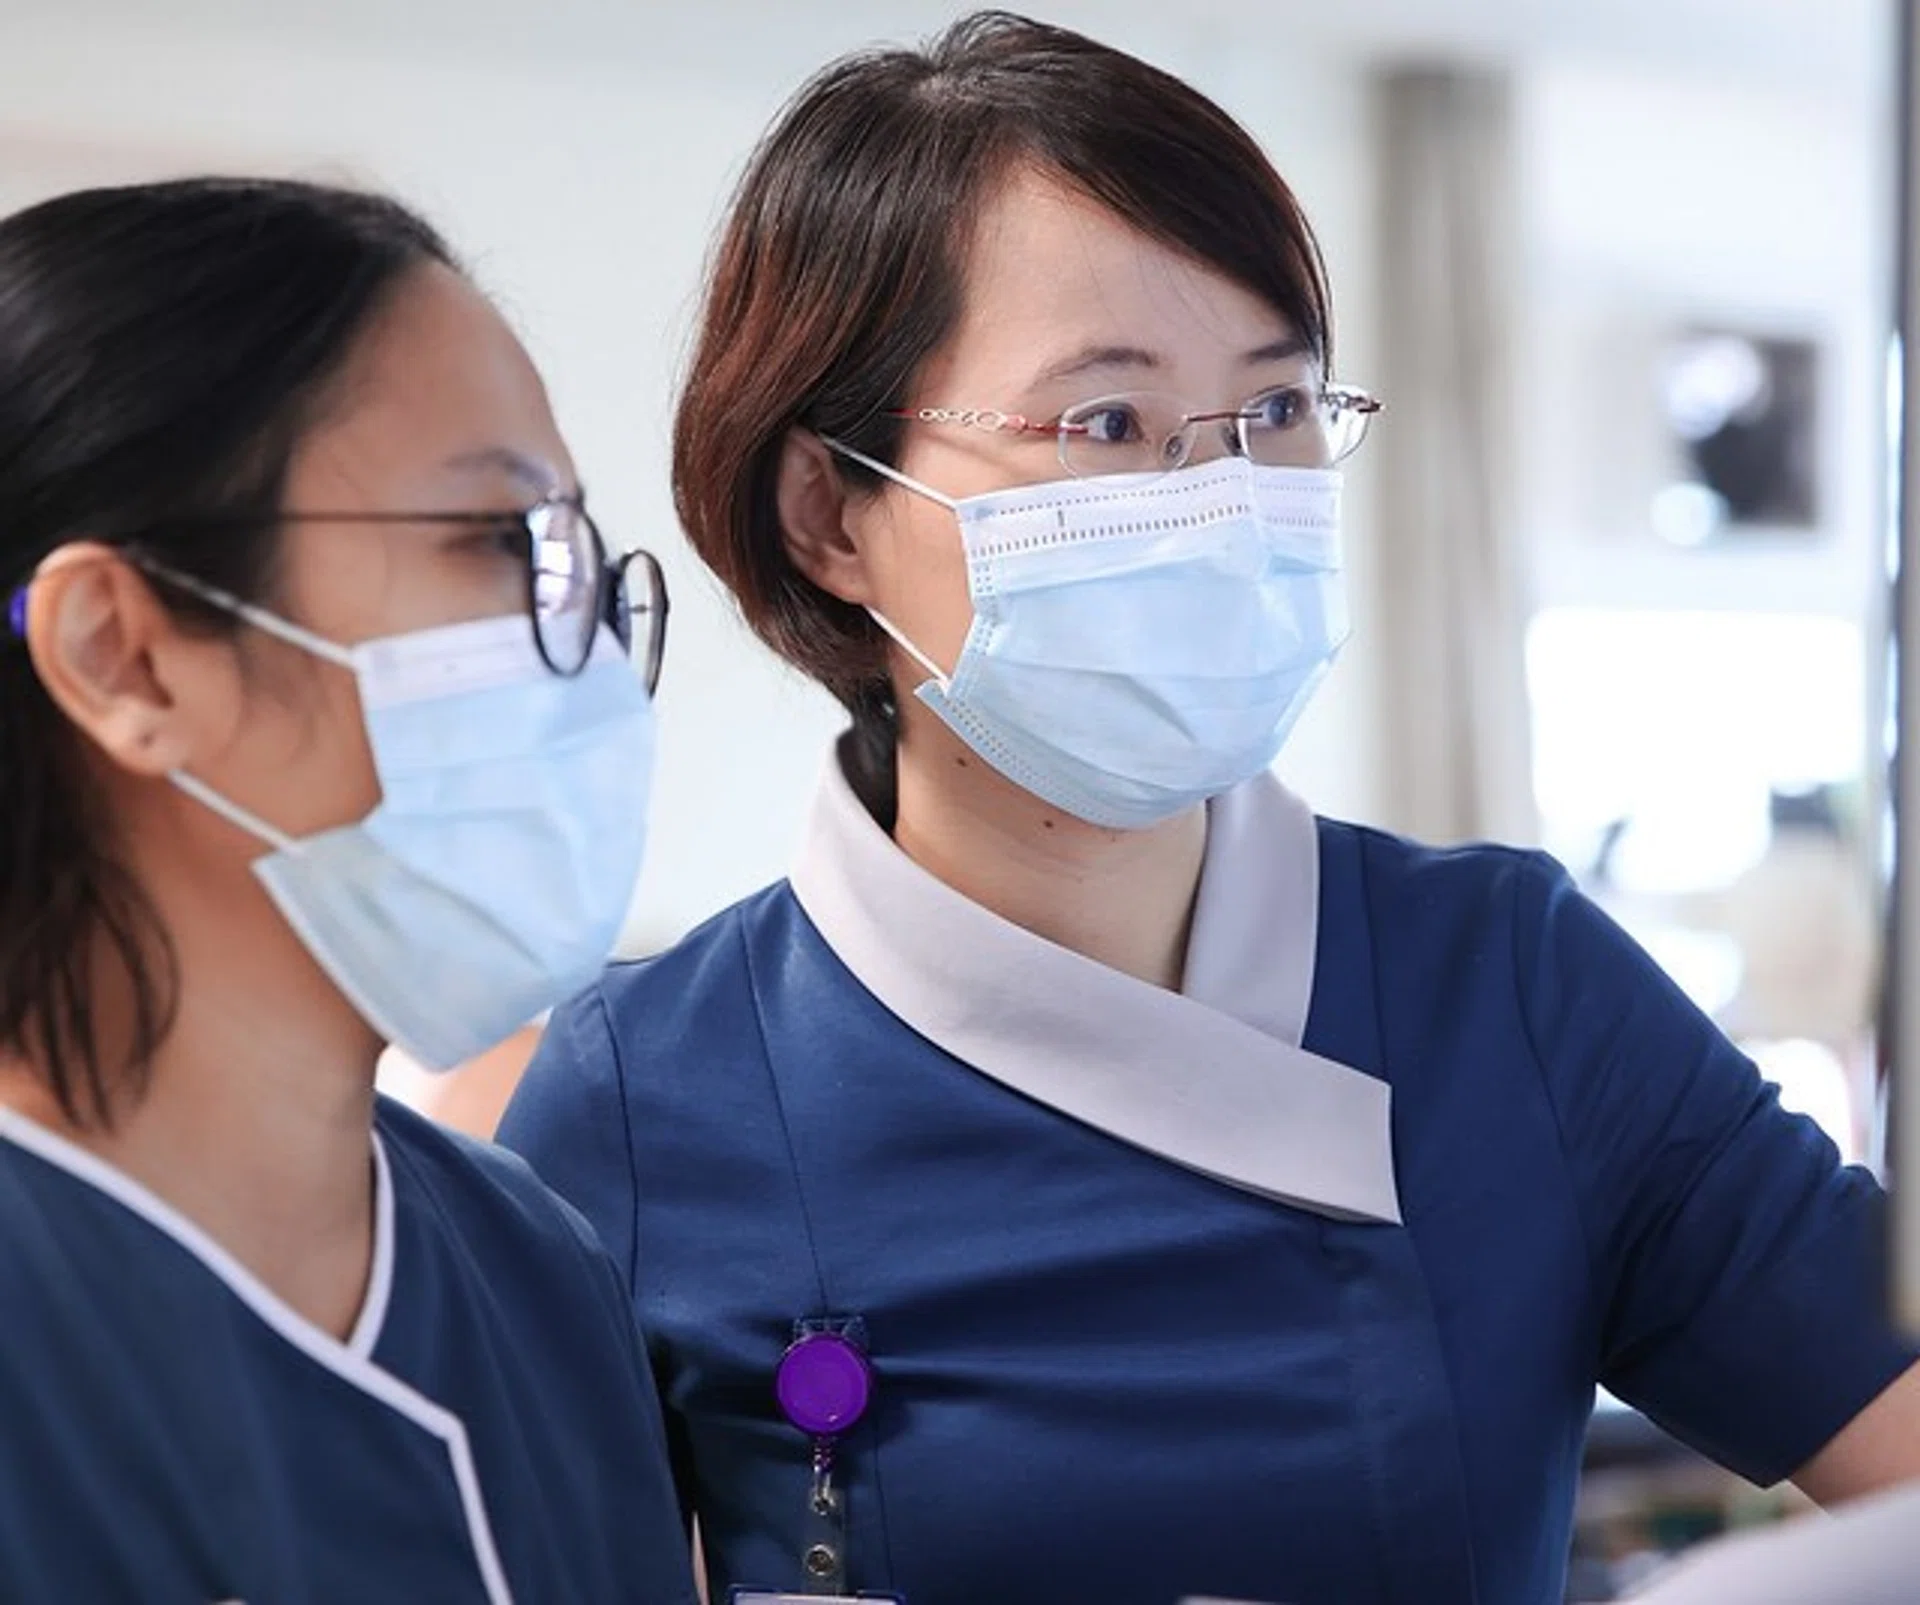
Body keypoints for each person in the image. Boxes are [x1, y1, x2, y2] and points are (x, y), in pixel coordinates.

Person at [499, 14, 1920, 1605]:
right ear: (833, 512)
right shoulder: (646, 1100)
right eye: (1106, 422)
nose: (1222, 503)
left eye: (1276, 414)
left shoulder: (1514, 985)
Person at [0, 177, 693, 1604]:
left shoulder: (531, 1274)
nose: (588, 659)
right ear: (126, 657)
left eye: (576, 561)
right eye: (502, 542)